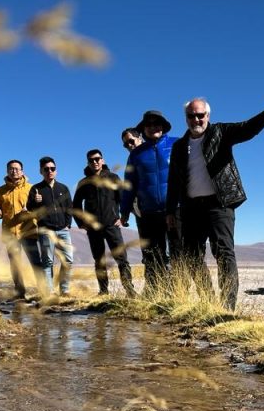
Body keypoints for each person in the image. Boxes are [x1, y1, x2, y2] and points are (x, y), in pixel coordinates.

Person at [166, 95, 264, 309]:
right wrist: (170, 211)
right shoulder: (180, 146)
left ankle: (227, 307)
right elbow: (173, 180)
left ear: (208, 116)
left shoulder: (220, 132)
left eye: (200, 115)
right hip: (191, 207)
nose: (196, 120)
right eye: (191, 116)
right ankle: (208, 301)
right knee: (192, 255)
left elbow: (246, 129)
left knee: (223, 252)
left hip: (219, 204)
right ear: (186, 118)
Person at [120, 110, 181, 293]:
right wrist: (124, 211)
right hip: (149, 212)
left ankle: (179, 293)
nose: (153, 127)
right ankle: (155, 294)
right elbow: (129, 184)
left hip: (176, 209)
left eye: (157, 123)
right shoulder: (136, 154)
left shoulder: (177, 144)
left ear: (163, 126)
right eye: (148, 125)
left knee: (178, 252)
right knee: (154, 255)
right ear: (144, 129)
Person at [72, 149, 136, 297]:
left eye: (97, 159)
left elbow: (123, 198)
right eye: (91, 160)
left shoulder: (113, 177)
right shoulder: (84, 182)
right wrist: (81, 222)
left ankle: (130, 290)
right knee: (99, 260)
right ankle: (103, 291)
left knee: (122, 259)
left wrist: (123, 217)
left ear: (102, 160)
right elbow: (76, 205)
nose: (95, 162)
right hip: (93, 228)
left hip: (111, 224)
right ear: (88, 163)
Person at [0, 159, 41, 300]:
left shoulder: (32, 188)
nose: (14, 171)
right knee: (15, 264)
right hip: (10, 233)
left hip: (28, 231)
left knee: (36, 262)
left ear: (22, 171)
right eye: (11, 169)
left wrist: (31, 209)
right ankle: (20, 293)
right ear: (7, 171)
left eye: (17, 169)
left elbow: (39, 209)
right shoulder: (0, 191)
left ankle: (43, 291)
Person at [27, 156, 74, 297]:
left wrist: (68, 224)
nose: (50, 171)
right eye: (46, 169)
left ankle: (64, 290)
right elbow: (29, 208)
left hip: (63, 230)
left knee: (68, 260)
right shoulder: (36, 189)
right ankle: (50, 292)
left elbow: (69, 208)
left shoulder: (63, 188)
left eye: (52, 168)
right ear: (41, 171)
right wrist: (35, 201)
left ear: (56, 170)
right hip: (46, 230)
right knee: (47, 261)